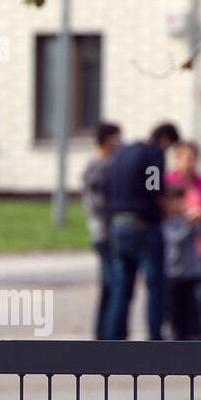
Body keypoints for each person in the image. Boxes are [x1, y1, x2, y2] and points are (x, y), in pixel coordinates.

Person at [102, 121, 181, 340]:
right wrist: (170, 207)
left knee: (121, 287)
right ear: (166, 139)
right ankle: (155, 340)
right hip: (144, 225)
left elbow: (107, 189)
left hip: (118, 224)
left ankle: (114, 340)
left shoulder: (121, 152)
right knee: (155, 286)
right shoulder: (154, 151)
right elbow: (155, 187)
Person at [166, 140, 201, 330]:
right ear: (177, 159)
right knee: (179, 301)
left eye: (192, 158)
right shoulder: (167, 182)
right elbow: (161, 209)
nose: (188, 162)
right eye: (184, 158)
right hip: (177, 254)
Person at [81, 121, 122, 339]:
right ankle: (105, 335)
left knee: (110, 284)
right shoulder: (99, 166)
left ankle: (103, 334)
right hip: (104, 233)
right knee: (112, 283)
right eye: (117, 138)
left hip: (104, 232)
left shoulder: (103, 164)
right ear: (108, 140)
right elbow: (96, 204)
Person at [163, 184, 201, 340]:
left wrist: (197, 219)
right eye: (174, 201)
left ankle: (195, 336)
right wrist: (190, 224)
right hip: (175, 274)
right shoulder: (166, 222)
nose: (178, 204)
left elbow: (199, 232)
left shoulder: (186, 218)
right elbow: (176, 238)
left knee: (193, 310)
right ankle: (176, 337)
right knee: (176, 312)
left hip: (191, 272)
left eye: (180, 200)